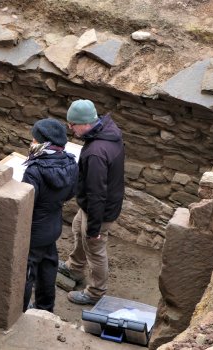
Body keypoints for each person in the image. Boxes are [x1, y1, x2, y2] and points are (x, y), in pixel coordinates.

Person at [58, 99, 125, 305]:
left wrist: (95, 227)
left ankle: (95, 292)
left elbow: (97, 194)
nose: (70, 128)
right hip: (93, 206)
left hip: (99, 210)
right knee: (78, 227)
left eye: (73, 124)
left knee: (94, 248)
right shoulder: (107, 131)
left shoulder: (96, 152)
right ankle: (75, 268)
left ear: (86, 123)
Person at [22, 118, 78, 312]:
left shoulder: (35, 170)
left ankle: (20, 308)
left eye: (35, 140)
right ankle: (46, 307)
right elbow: (71, 192)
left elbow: (28, 202)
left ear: (44, 142)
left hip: (35, 229)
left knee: (27, 270)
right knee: (48, 265)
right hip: (54, 224)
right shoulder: (71, 163)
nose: (32, 143)